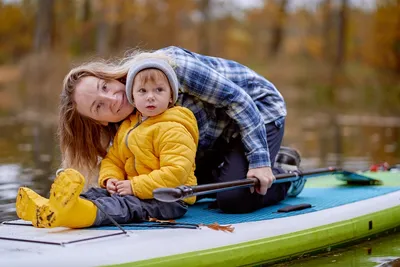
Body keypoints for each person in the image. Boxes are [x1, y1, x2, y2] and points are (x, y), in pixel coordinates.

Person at [21, 46, 302, 218]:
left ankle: (284, 175)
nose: (112, 99)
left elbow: (238, 101)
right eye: (99, 106)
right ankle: (241, 164)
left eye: (105, 87)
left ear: (108, 76)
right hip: (212, 137)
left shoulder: (170, 67)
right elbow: (123, 163)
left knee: (232, 199)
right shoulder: (128, 121)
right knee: (177, 188)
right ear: (99, 122)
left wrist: (259, 161)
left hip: (258, 111)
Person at [16, 59, 199, 228]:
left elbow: (175, 173)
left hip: (169, 199)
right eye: (142, 91)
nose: (150, 97)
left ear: (171, 96)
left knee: (126, 206)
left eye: (159, 90)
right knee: (97, 193)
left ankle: (79, 213)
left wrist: (134, 186)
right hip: (135, 188)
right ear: (133, 96)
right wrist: (110, 179)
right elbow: (114, 159)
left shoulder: (174, 128)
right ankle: (50, 206)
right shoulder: (129, 126)